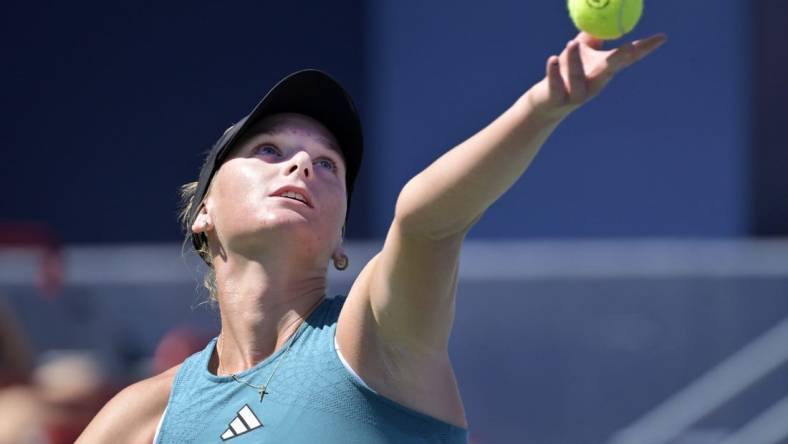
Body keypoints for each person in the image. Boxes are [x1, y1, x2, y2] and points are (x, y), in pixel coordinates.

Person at [77, 31, 667, 443]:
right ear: (203, 211)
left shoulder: (369, 341)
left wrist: (542, 107)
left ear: (340, 241)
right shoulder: (143, 418)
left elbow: (427, 223)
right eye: (269, 151)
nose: (301, 166)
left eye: (326, 164)